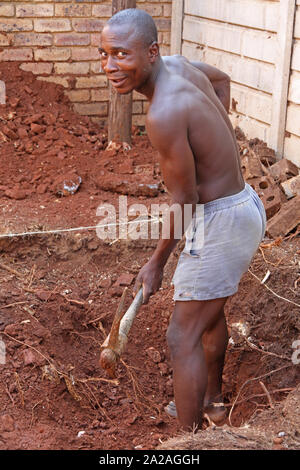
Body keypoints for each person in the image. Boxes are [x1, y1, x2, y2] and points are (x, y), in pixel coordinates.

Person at [99, 8, 266, 431]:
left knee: (181, 335)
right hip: (243, 204)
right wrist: (217, 147)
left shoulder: (163, 114)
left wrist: (155, 264)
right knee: (206, 313)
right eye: (104, 54)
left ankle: (191, 443)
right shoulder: (179, 66)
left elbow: (187, 199)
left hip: (220, 221)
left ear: (151, 52)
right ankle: (212, 402)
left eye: (122, 54)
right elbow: (223, 80)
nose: (110, 66)